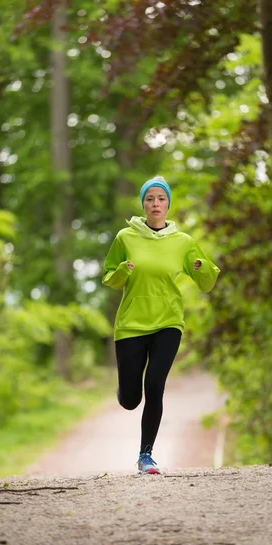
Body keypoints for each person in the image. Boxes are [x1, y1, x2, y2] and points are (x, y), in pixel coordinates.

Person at [102, 176, 220, 474]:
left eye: (161, 199)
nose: (156, 204)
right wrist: (121, 271)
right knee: (131, 400)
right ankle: (124, 391)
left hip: (168, 322)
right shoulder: (125, 237)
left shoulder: (183, 242)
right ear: (143, 204)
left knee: (155, 384)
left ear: (168, 204)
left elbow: (206, 282)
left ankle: (145, 455)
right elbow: (109, 278)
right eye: (150, 199)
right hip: (131, 323)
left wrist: (201, 267)